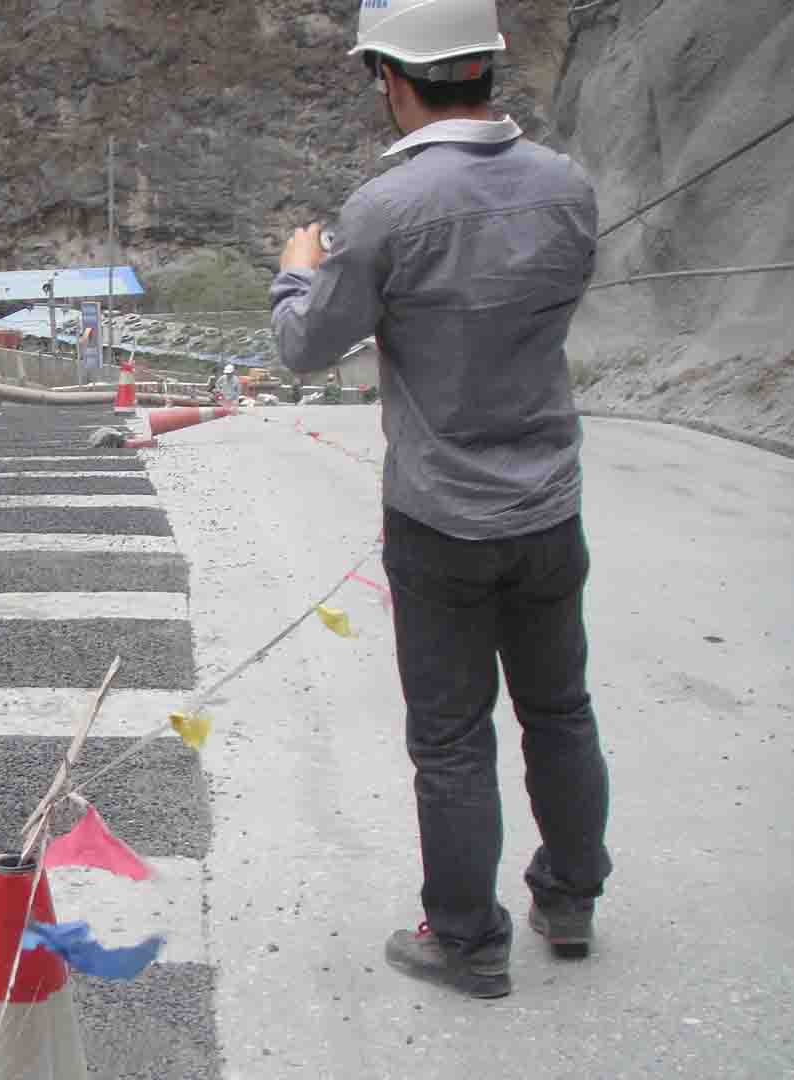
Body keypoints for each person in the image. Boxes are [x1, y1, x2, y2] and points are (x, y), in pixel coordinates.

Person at [267, 0, 612, 999]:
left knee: (452, 733)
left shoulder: (388, 209)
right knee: (560, 710)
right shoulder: (568, 186)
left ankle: (465, 937)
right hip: (550, 504)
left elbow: (306, 348)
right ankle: (572, 896)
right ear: (486, 70)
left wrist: (298, 275)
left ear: (392, 77)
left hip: (440, 517)